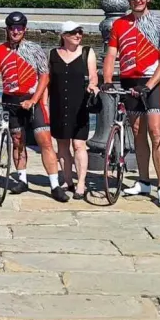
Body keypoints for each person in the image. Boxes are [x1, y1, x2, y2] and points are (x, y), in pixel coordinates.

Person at [102, 0, 160, 206]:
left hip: (152, 82)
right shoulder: (119, 24)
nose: (138, 1)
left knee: (155, 131)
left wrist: (150, 84)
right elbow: (111, 55)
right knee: (137, 131)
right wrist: (106, 79)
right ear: (128, 0)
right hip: (129, 80)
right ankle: (143, 181)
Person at [0, 12, 64, 201]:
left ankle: (55, 185)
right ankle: (22, 180)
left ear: (25, 29)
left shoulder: (34, 49)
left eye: (19, 28)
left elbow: (44, 76)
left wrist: (34, 100)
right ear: (7, 29)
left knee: (45, 141)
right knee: (17, 141)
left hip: (32, 99)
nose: (15, 31)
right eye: (12, 28)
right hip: (11, 100)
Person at [47, 21, 100, 200]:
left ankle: (81, 182)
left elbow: (93, 75)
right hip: (58, 104)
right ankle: (67, 180)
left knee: (79, 144)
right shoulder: (53, 54)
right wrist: (44, 104)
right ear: (63, 35)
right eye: (73, 32)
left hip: (80, 105)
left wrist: (93, 85)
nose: (78, 35)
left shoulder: (87, 52)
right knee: (62, 145)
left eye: (80, 32)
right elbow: (47, 80)